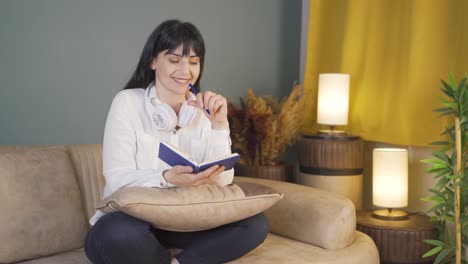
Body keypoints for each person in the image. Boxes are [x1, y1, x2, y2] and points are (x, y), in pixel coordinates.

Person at [84, 20, 269, 264]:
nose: (186, 70)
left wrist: (219, 126)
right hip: (134, 220)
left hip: (187, 221)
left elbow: (223, 181)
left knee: (255, 223)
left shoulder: (204, 110)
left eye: (194, 62)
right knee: (118, 234)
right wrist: (167, 178)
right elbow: (117, 178)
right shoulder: (127, 102)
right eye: (174, 60)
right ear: (152, 61)